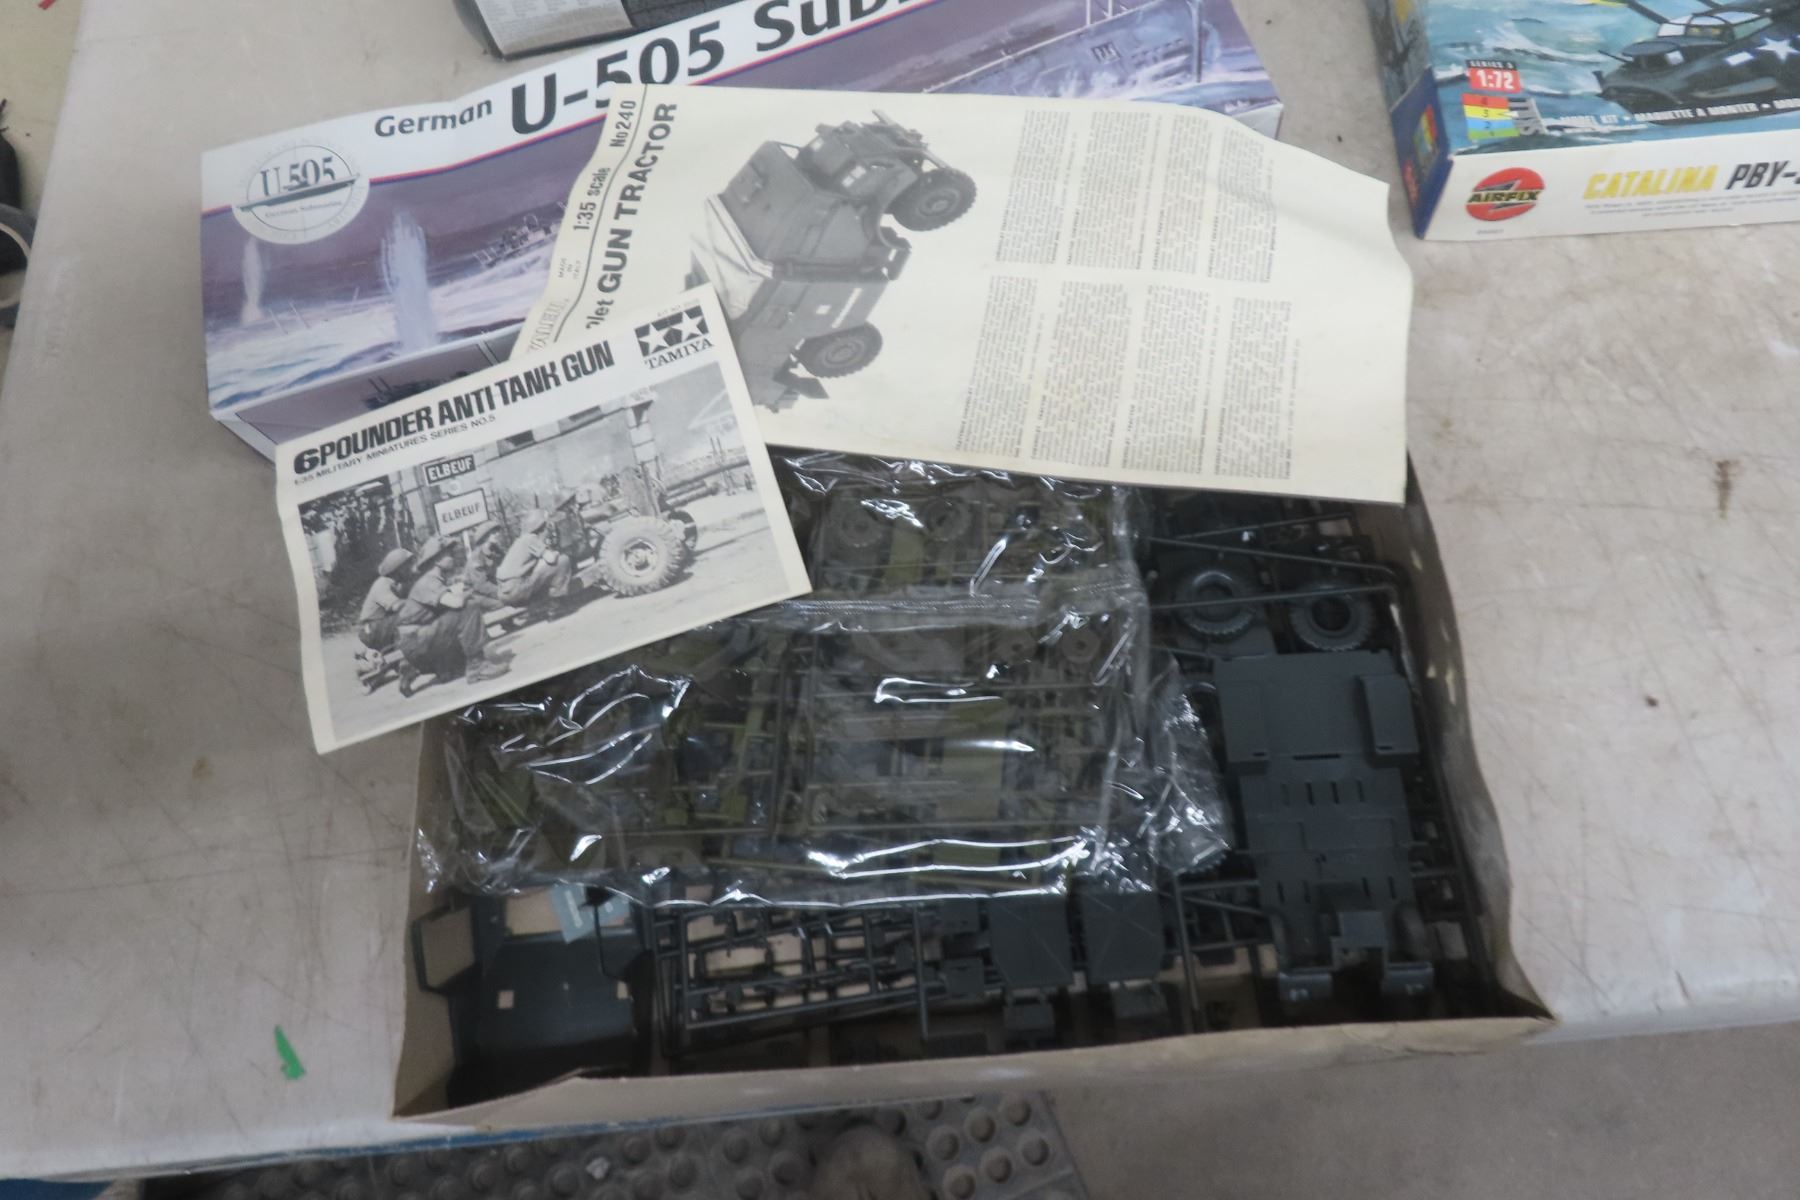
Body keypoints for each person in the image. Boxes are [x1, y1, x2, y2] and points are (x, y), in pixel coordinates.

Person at [394, 537, 510, 696]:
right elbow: (456, 603)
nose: (453, 557)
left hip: (417, 640)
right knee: (469, 607)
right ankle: (477, 666)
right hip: (416, 640)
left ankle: (414, 668)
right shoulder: (428, 581)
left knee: (455, 669)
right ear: (437, 560)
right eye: (448, 554)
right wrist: (469, 593)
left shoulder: (434, 580)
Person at [496, 508, 577, 617]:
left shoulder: (520, 541)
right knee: (563, 560)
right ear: (541, 527)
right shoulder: (531, 539)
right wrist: (556, 552)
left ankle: (540, 606)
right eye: (546, 526)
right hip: (516, 589)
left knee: (542, 571)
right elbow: (551, 559)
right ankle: (557, 605)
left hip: (504, 593)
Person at [356, 548, 412, 652]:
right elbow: (397, 606)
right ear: (398, 569)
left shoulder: (398, 584)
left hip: (380, 625)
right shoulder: (382, 584)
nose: (410, 569)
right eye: (407, 566)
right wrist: (418, 603)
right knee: (408, 616)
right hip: (369, 629)